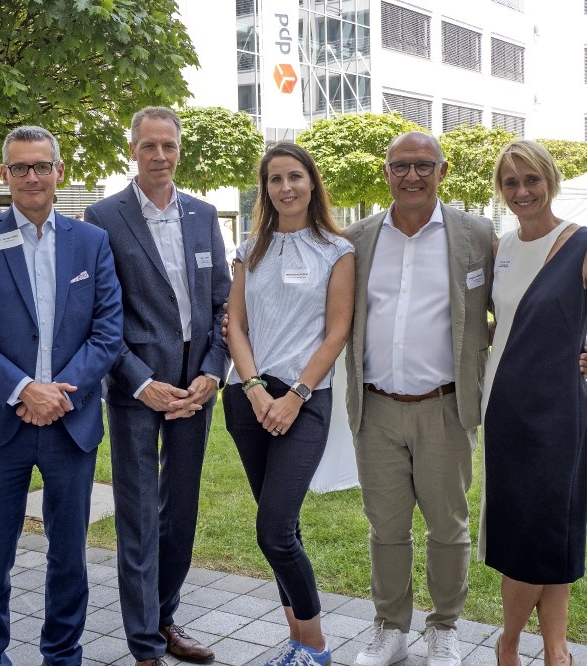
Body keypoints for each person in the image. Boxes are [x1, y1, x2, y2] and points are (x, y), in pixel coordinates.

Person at [0, 125, 123, 666]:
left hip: (70, 424)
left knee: (69, 556)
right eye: (19, 167)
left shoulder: (90, 241)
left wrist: (59, 396)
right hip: (1, 425)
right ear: (3, 175)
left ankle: (62, 655)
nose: (31, 176)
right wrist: (24, 389)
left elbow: (108, 333)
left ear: (59, 172)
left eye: (41, 166)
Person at [85, 106, 231, 666]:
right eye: (149, 146)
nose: (161, 156)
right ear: (133, 150)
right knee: (140, 515)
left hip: (195, 389)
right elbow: (100, 317)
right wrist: (139, 380)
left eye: (169, 145)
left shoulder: (202, 213)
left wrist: (211, 373)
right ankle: (143, 642)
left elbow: (222, 303)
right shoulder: (103, 218)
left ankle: (165, 616)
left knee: (181, 513)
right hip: (135, 390)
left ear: (178, 149)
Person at [344, 131, 493, 666]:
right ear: (386, 172)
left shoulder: (476, 234)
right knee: (385, 527)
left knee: (448, 526)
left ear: (442, 171)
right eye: (401, 165)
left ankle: (445, 627)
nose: (412, 175)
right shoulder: (357, 238)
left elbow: (513, 302)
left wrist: (572, 350)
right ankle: (390, 627)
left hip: (446, 407)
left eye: (423, 165)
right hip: (376, 407)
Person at [482, 139, 587, 666]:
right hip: (503, 408)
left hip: (561, 411)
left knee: (552, 528)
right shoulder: (500, 249)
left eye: (531, 180)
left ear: (550, 181)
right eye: (511, 182)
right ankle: (527, 644)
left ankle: (538, 646)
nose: (522, 191)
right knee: (528, 530)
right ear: (501, 190)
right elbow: (501, 325)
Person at [222, 143, 354, 666]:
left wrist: (296, 395)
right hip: (248, 399)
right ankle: (297, 640)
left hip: (305, 401)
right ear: (265, 188)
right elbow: (235, 324)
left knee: (274, 530)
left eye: (295, 176)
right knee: (283, 530)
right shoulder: (248, 249)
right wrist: (254, 389)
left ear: (312, 183)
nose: (285, 188)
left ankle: (315, 646)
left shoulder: (336, 250)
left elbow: (337, 331)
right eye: (275, 179)